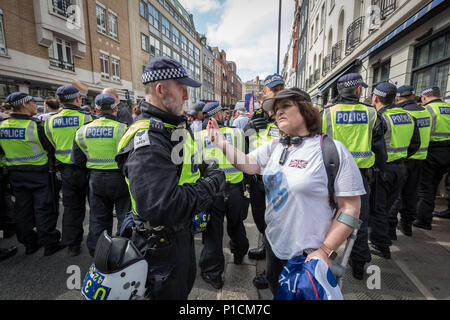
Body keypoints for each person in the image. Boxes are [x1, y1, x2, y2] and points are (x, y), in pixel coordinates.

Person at [207, 88, 365, 296]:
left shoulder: (332, 150)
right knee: (276, 288)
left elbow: (351, 207)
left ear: (306, 109)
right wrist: (221, 143)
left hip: (308, 254)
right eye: (276, 109)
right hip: (274, 245)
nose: (278, 112)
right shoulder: (275, 147)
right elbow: (248, 164)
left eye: (286, 106)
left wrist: (325, 251)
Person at [114, 57, 225, 300]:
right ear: (161, 90)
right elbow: (163, 206)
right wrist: (213, 184)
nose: (187, 96)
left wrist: (206, 167)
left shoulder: (171, 127)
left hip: (177, 235)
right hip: (159, 245)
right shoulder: (149, 138)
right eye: (182, 88)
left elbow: (185, 166)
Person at [321, 73, 387, 280]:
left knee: (324, 220)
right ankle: (358, 266)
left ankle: (320, 261)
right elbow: (379, 149)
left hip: (329, 175)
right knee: (358, 222)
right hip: (359, 177)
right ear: (358, 90)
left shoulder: (326, 113)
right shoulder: (371, 113)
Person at [0, 92, 65, 256]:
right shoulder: (35, 125)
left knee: (22, 209)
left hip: (15, 174)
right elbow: (50, 148)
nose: (36, 105)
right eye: (32, 102)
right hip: (40, 173)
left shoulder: (2, 126)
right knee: (44, 208)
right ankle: (50, 243)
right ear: (24, 105)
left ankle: (29, 243)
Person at [197, 101, 249, 289]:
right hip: (234, 188)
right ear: (216, 115)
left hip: (212, 191)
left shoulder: (198, 136)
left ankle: (213, 273)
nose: (224, 115)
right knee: (236, 225)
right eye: (221, 112)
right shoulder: (237, 132)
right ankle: (239, 253)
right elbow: (243, 156)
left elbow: (197, 165)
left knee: (213, 232)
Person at [71, 94, 131, 257]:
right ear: (115, 109)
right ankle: (124, 252)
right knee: (124, 215)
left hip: (95, 179)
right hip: (119, 179)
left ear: (95, 109)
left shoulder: (82, 130)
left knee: (98, 218)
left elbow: (77, 160)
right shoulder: (123, 129)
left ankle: (97, 252)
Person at [243, 73, 285, 289]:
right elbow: (246, 142)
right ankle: (267, 250)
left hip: (278, 178)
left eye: (280, 89)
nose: (277, 94)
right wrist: (249, 127)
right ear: (265, 95)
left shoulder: (287, 113)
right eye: (273, 90)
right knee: (260, 218)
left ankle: (273, 274)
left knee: (277, 222)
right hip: (257, 176)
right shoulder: (257, 115)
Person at [370, 82, 419, 259]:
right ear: (395, 98)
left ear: (375, 98)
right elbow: (415, 144)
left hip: (382, 170)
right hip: (401, 167)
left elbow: (374, 146)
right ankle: (389, 233)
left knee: (378, 208)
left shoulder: (378, 118)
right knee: (392, 204)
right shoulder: (408, 116)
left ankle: (380, 245)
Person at [45, 85, 93, 257]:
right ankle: (97, 245)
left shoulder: (50, 120)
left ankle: (72, 245)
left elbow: (50, 143)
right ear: (78, 99)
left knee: (72, 208)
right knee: (94, 207)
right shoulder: (86, 118)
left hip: (65, 171)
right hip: (87, 169)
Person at [391, 85, 432, 236]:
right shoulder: (426, 112)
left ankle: (391, 229)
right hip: (420, 159)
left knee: (396, 195)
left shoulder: (401, 113)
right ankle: (407, 225)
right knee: (411, 194)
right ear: (415, 96)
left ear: (397, 98)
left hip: (401, 158)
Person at [414, 86, 450, 230]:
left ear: (424, 97)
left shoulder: (426, 110)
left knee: (426, 186)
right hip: (448, 150)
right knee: (443, 183)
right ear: (439, 95)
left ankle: (423, 219)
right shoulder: (448, 107)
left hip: (432, 150)